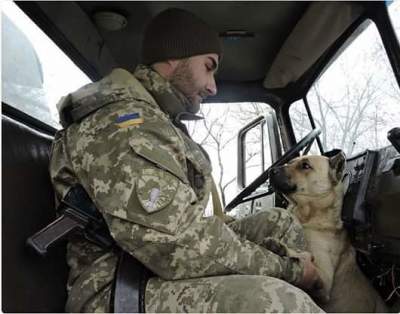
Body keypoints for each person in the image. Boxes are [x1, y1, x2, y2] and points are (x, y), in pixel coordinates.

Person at [50, 8, 324, 313]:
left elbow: (180, 225)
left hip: (149, 264)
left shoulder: (156, 119)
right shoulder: (126, 124)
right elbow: (178, 244)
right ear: (172, 58)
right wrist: (290, 270)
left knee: (279, 222)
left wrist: (284, 265)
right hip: (117, 286)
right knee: (281, 301)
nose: (213, 86)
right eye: (208, 67)